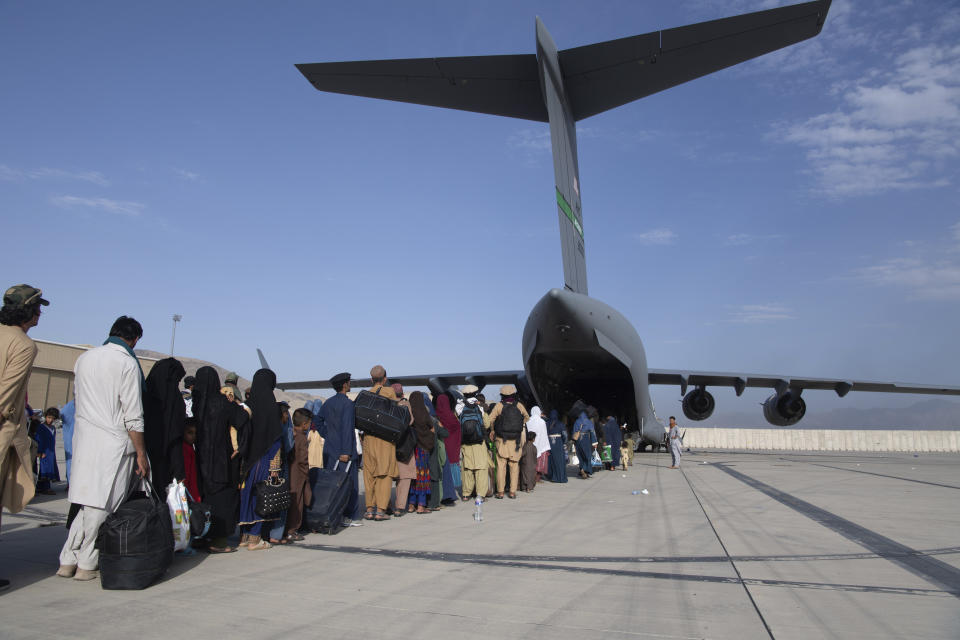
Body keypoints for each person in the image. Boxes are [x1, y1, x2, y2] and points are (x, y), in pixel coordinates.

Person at [58, 316, 149, 581]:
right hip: (115, 443)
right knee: (104, 506)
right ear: (134, 339)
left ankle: (67, 558)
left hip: (85, 440)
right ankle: (86, 562)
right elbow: (133, 414)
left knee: (86, 505)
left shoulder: (85, 358)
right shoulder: (126, 363)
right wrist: (141, 453)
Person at [0, 285, 45, 589]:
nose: (40, 312)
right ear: (28, 311)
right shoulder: (23, 345)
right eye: (37, 307)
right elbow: (6, 395)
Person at [192, 366, 247, 553]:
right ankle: (219, 542)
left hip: (200, 459)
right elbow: (242, 419)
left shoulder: (196, 404)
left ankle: (200, 536)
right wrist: (239, 447)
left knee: (203, 498)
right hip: (222, 460)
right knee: (223, 500)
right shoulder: (223, 402)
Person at [238, 369, 283, 550]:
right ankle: (255, 537)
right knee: (261, 497)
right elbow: (276, 438)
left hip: (247, 461)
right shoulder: (271, 407)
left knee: (246, 495)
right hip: (265, 459)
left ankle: (244, 535)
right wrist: (276, 465)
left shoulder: (247, 405)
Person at [316, 372, 360, 525]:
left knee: (331, 485)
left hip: (330, 450)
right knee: (348, 483)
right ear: (344, 385)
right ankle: (348, 516)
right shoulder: (348, 404)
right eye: (349, 382)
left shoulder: (328, 403)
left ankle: (332, 513)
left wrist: (328, 435)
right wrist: (346, 452)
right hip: (343, 452)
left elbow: (318, 420)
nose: (350, 384)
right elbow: (347, 428)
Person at [143, 357, 187, 493]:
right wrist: (179, 473)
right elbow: (175, 438)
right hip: (163, 464)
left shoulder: (143, 395)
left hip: (139, 459)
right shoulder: (173, 401)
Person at [361, 365, 399, 521]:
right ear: (385, 379)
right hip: (385, 439)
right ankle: (380, 510)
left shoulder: (366, 394)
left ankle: (369, 508)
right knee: (384, 473)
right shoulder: (389, 392)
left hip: (369, 439)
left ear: (371, 379)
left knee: (369, 474)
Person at [487, 384, 528, 499]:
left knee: (501, 466)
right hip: (515, 441)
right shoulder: (519, 405)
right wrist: (519, 424)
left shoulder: (499, 406)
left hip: (502, 441)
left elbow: (490, 419)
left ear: (502, 395)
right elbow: (526, 417)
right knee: (514, 467)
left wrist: (493, 429)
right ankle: (512, 492)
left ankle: (500, 492)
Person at [457, 384, 490, 501]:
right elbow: (486, 424)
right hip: (479, 443)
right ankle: (480, 494)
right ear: (475, 393)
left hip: (466, 443)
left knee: (467, 469)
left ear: (464, 394)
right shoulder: (479, 407)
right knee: (481, 469)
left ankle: (466, 494)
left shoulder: (460, 407)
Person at [284, 408, 313, 541]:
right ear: (305, 424)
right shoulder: (301, 437)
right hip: (298, 475)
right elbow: (303, 460)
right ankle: (292, 530)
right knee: (297, 502)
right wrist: (306, 474)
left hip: (288, 471)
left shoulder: (290, 433)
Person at [407, 391, 433, 514]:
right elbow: (431, 428)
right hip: (423, 450)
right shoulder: (424, 413)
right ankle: (421, 506)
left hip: (411, 450)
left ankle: (411, 504)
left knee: (413, 477)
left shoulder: (409, 414)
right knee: (422, 476)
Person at [435, 393, 461, 505]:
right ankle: (450, 492)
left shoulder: (436, 416)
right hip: (452, 446)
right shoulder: (451, 416)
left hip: (441, 447)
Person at [32, 408, 61, 494]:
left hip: (51, 452)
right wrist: (39, 452)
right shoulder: (41, 427)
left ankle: (41, 487)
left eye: (52, 418)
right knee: (45, 469)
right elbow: (38, 440)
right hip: (44, 452)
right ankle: (45, 488)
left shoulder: (53, 428)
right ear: (45, 416)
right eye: (49, 417)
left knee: (50, 468)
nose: (50, 420)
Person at [526, 406, 550, 484]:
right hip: (540, 443)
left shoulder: (528, 420)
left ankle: (530, 477)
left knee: (530, 461)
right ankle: (537, 478)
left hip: (530, 443)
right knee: (539, 461)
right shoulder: (542, 422)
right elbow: (544, 434)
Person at [571, 408, 597, 479]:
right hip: (585, 439)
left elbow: (573, 432)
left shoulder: (577, 421)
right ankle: (585, 470)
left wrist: (573, 441)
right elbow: (592, 432)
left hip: (578, 440)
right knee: (587, 456)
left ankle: (582, 469)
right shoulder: (588, 422)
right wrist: (594, 442)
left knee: (581, 456)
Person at [545, 409, 568, 483]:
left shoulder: (547, 423)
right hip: (558, 443)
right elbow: (565, 435)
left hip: (549, 443)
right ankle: (560, 478)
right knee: (560, 461)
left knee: (551, 461)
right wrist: (564, 442)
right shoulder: (561, 424)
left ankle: (553, 477)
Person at [181, 418, 201, 501]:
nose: (193, 436)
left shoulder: (190, 449)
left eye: (195, 433)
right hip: (189, 493)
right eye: (190, 433)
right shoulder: (185, 450)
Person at [60, 399, 75, 486]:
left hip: (70, 437)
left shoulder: (69, 406)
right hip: (74, 437)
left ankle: (70, 482)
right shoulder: (74, 405)